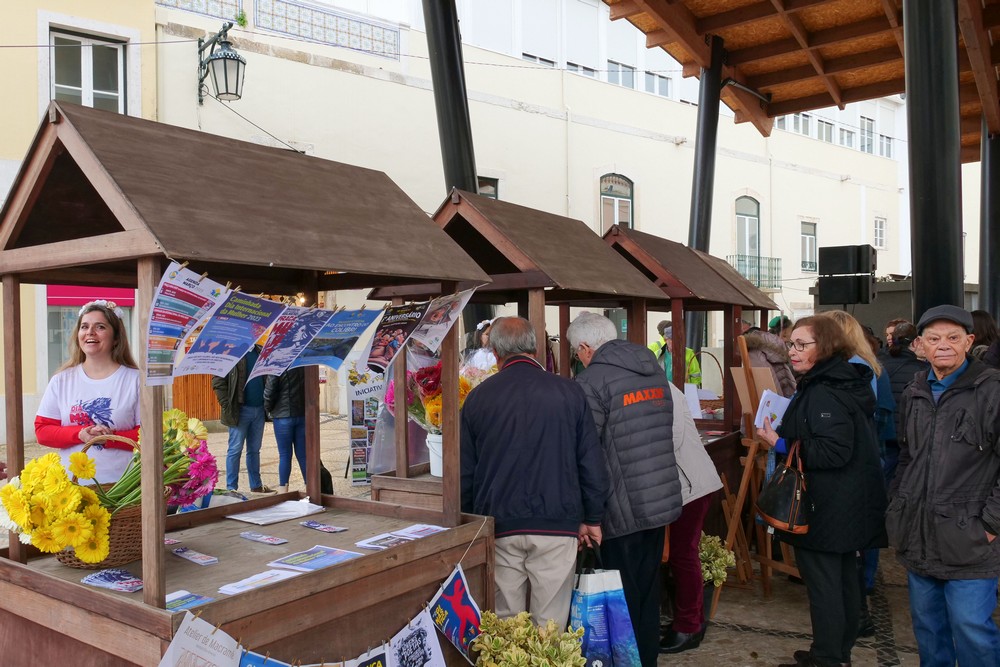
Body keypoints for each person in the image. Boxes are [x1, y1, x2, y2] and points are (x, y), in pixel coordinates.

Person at [460, 317, 609, 627]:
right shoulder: (569, 392)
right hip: (557, 522)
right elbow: (590, 461)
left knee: (507, 625)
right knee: (550, 625)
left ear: (495, 353)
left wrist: (469, 522)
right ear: (535, 348)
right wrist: (593, 518)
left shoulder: (477, 398)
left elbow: (465, 473)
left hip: (499, 523)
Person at [757, 316, 887, 667]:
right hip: (846, 501)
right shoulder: (839, 380)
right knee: (843, 580)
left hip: (828, 504)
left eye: (802, 345)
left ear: (826, 346)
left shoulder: (824, 389)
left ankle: (828, 658)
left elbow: (833, 451)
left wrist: (779, 442)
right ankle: (835, 652)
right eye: (791, 343)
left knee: (826, 586)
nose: (792, 351)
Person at [888, 304, 1000, 666]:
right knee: (928, 628)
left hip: (971, 538)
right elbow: (907, 455)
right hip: (919, 533)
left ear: (969, 341)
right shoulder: (915, 390)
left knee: (971, 627)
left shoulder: (992, 389)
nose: (944, 345)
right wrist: (899, 503)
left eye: (953, 337)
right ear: (920, 345)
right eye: (934, 338)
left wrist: (990, 524)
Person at [569, 312, 682, 667]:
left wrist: (589, 513)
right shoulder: (652, 369)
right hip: (658, 498)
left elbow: (586, 452)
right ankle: (647, 660)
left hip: (620, 507)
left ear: (586, 347)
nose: (578, 358)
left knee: (621, 596)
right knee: (648, 589)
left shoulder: (591, 381)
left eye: (576, 352)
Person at [34, 300, 140, 484]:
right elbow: (42, 431)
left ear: (116, 338)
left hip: (125, 487)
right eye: (84, 327)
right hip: (72, 489)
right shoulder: (61, 380)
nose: (90, 332)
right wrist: (80, 434)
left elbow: (148, 435)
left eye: (100, 327)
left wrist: (109, 438)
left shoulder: (136, 380)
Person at [659, 382, 722, 654]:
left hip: (689, 485)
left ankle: (689, 627)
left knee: (683, 555)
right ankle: (691, 620)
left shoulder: (663, 390)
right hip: (680, 484)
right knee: (681, 555)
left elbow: (670, 439)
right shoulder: (656, 385)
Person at [212, 345, 275, 494]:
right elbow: (217, 381)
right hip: (240, 410)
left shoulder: (260, 351)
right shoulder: (231, 352)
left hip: (259, 410)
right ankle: (231, 488)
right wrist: (228, 405)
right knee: (235, 450)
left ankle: (256, 486)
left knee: (254, 450)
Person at [264, 367, 306, 494]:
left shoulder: (277, 364)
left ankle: (283, 491)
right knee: (303, 455)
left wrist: (268, 409)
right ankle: (310, 488)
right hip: (301, 414)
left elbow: (269, 392)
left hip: (282, 416)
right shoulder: (303, 364)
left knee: (284, 455)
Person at [743, 327, 796, 397]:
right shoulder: (777, 352)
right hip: (788, 396)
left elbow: (768, 387)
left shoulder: (755, 355)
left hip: (774, 399)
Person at [648, 320, 701, 386]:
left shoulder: (689, 353)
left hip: (683, 390)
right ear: (665, 340)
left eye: (677, 339)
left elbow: (696, 375)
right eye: (672, 339)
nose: (676, 342)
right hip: (665, 389)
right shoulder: (657, 354)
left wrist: (692, 389)